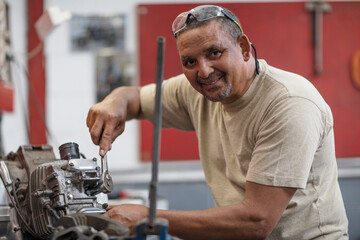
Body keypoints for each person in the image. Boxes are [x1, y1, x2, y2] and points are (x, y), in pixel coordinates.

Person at [86, 5, 348, 240]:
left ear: (244, 48)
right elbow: (133, 99)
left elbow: (256, 221)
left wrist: (148, 218)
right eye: (190, 61)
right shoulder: (197, 90)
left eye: (214, 52)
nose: (204, 71)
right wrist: (113, 102)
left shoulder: (289, 103)